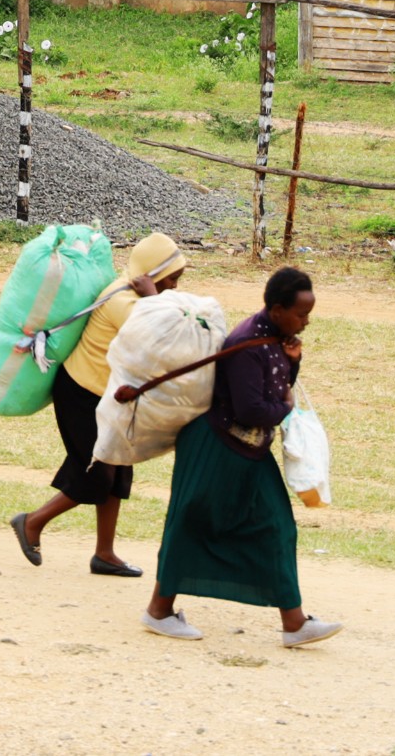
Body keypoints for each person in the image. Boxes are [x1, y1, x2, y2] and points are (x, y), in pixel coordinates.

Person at [141, 266, 341, 648]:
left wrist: (293, 363)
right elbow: (252, 409)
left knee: (278, 527)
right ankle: (158, 610)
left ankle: (294, 622)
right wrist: (285, 407)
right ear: (278, 308)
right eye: (301, 314)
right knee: (192, 524)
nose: (306, 321)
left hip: (250, 450)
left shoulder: (275, 338)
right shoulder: (248, 343)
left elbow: (276, 386)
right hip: (216, 448)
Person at [9, 232, 188, 577]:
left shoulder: (137, 296)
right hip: (81, 393)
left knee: (118, 471)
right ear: (152, 274)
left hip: (108, 396)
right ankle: (31, 522)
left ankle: (104, 554)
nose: (175, 286)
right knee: (97, 475)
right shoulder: (125, 301)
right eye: (172, 278)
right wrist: (153, 298)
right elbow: (159, 336)